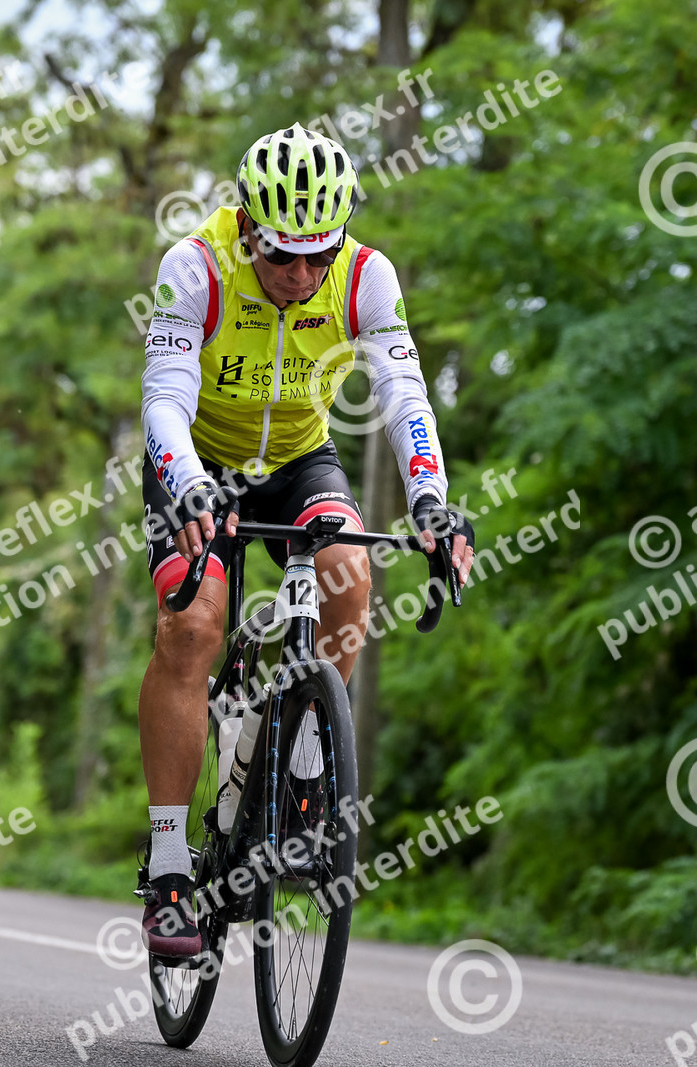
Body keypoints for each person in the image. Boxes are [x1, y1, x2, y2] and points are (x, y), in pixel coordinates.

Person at [137, 123, 473, 955]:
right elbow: (165, 400)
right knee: (193, 627)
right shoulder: (195, 265)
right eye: (284, 255)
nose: (301, 274)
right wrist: (189, 485)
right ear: (249, 225)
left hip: (297, 459)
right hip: (197, 460)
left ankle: (305, 776)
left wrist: (432, 501)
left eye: (318, 254)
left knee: (350, 570)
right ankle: (170, 864)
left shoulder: (365, 275)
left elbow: (404, 395)